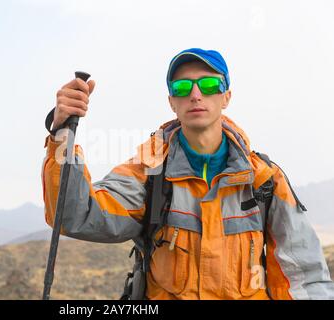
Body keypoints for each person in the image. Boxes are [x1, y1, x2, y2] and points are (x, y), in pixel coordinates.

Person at [41, 48, 334, 300]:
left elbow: (304, 278)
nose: (195, 94)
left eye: (208, 85)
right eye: (182, 88)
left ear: (226, 97)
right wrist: (62, 133)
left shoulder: (265, 180)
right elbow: (75, 215)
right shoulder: (148, 173)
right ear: (172, 102)